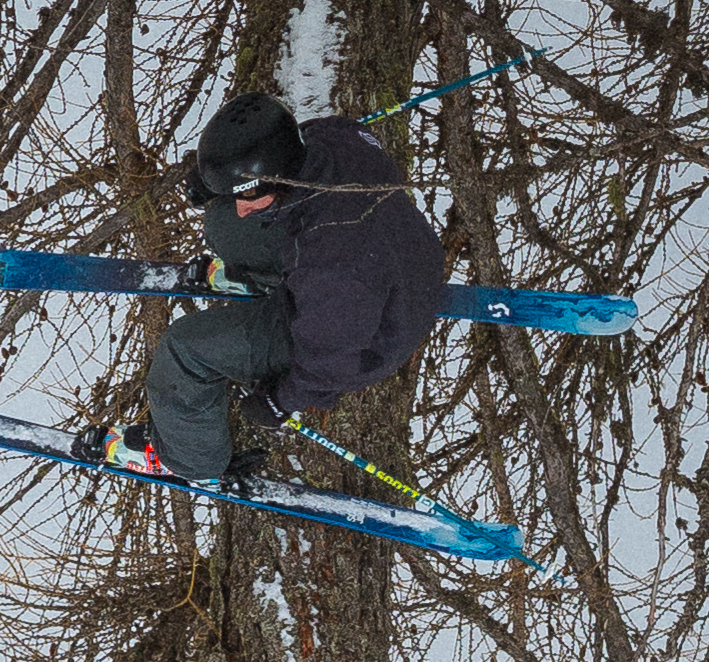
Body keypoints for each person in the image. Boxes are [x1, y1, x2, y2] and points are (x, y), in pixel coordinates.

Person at [83, 91, 448, 485]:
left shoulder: (334, 267)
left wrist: (280, 400)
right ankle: (266, 277)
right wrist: (217, 181)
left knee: (185, 349)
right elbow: (318, 134)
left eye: (250, 192)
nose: (243, 205)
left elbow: (332, 361)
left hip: (370, 335)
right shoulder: (333, 140)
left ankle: (189, 461)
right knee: (224, 221)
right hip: (391, 251)